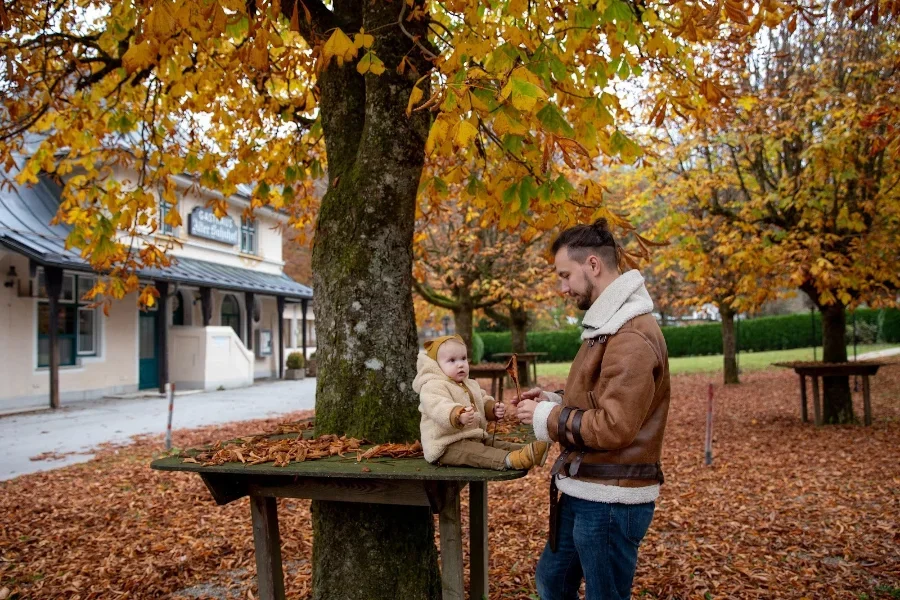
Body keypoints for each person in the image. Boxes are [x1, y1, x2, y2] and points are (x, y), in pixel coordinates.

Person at [512, 219, 671, 600]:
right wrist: (551, 402)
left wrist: (545, 418)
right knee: (552, 583)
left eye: (566, 275)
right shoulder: (607, 324)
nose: (562, 287)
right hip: (585, 487)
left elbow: (614, 426)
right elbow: (597, 400)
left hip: (613, 499)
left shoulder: (630, 334)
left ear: (593, 265)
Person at [414, 334, 550, 470]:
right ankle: (510, 460)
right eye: (452, 360)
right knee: (480, 453)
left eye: (463, 358)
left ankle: (527, 452)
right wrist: (458, 414)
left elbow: (482, 399)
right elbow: (438, 406)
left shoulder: (470, 384)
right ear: (436, 366)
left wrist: (492, 409)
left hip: (473, 437)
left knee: (493, 443)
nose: (460, 364)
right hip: (446, 444)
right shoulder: (432, 386)